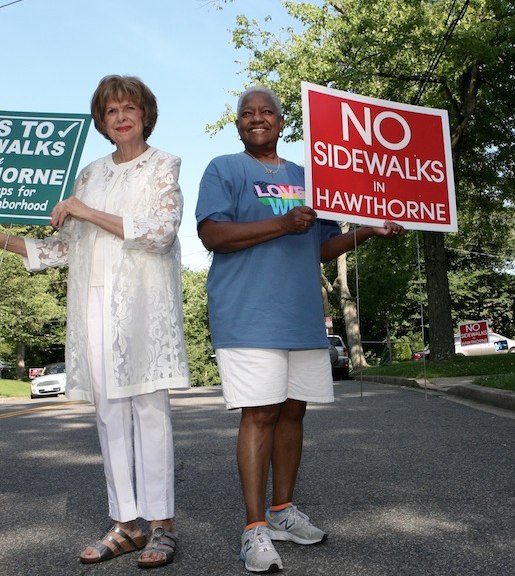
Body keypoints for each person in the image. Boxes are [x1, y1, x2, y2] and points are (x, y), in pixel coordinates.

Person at [0, 75, 188, 569]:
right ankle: (126, 523)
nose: (122, 116)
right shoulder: (88, 173)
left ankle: (162, 526)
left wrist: (86, 210)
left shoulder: (163, 165)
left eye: (130, 107)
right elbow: (65, 248)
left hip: (143, 309)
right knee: (109, 414)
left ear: (146, 114)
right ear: (102, 122)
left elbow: (160, 232)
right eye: (111, 112)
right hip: (93, 307)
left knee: (149, 410)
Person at [196, 86, 405, 573]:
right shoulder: (224, 169)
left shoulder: (310, 177)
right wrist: (282, 224)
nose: (256, 118)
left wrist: (367, 232)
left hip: (301, 315)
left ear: (281, 121)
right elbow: (212, 235)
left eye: (266, 111)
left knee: (293, 412)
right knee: (260, 414)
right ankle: (253, 530)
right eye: (247, 113)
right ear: (238, 125)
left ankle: (282, 511)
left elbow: (323, 246)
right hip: (248, 315)